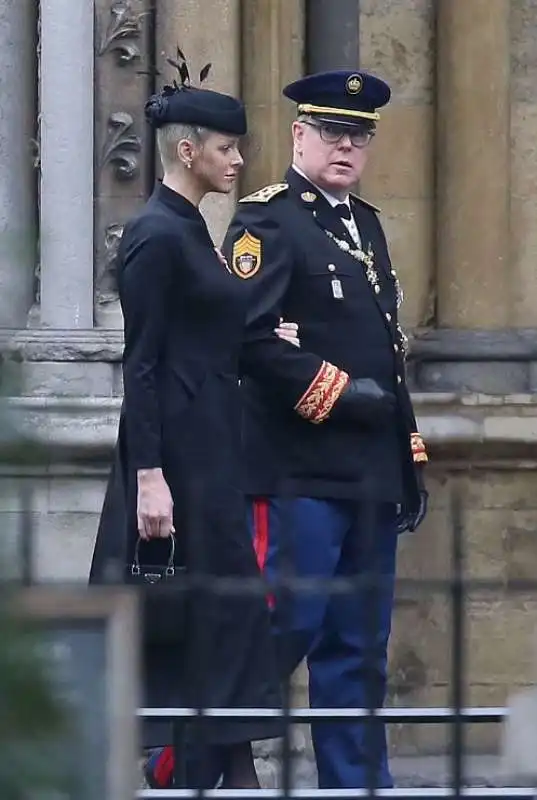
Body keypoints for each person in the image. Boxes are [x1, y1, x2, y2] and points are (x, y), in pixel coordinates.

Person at [88, 69, 300, 791]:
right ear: (188, 152)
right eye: (228, 148)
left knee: (228, 622)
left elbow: (207, 333)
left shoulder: (193, 230)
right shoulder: (154, 234)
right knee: (203, 620)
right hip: (175, 461)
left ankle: (217, 772)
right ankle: (200, 771)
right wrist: (150, 477)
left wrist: (266, 328)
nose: (237, 161)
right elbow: (140, 363)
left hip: (213, 452)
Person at [219, 70, 430, 790]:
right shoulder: (267, 220)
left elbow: (387, 351)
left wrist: (404, 452)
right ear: (298, 136)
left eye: (359, 135)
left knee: (357, 646)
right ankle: (186, 754)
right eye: (332, 133)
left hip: (367, 471)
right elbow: (247, 337)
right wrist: (340, 396)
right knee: (284, 627)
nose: (346, 147)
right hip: (298, 467)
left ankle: (356, 784)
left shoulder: (362, 221)